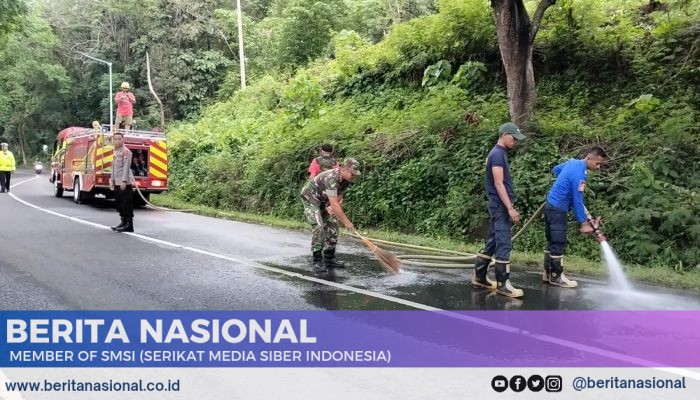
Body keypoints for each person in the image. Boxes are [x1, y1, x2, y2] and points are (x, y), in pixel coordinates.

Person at [472, 123, 526, 298]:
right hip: (500, 205)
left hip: (499, 204)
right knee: (504, 242)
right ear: (504, 135)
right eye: (513, 138)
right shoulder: (497, 155)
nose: (515, 142)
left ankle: (480, 277)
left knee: (494, 240)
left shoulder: (499, 153)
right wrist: (510, 208)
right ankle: (503, 285)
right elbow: (498, 183)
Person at [543, 146, 608, 287]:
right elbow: (577, 200)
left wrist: (563, 183)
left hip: (549, 205)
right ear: (589, 158)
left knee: (552, 240)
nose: (598, 167)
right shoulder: (580, 175)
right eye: (597, 163)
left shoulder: (572, 162)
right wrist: (583, 223)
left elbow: (556, 170)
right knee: (558, 241)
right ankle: (556, 276)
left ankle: (547, 273)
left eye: (601, 165)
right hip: (559, 208)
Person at [300, 158, 361, 272]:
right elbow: (334, 204)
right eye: (352, 173)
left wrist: (332, 206)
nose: (353, 176)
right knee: (319, 227)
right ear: (343, 169)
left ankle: (329, 257)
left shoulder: (346, 180)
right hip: (311, 198)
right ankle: (317, 260)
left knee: (333, 225)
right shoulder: (332, 178)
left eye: (355, 174)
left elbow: (339, 195)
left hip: (324, 200)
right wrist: (347, 222)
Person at [109, 132, 134, 232]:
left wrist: (124, 181)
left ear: (123, 140)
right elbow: (113, 168)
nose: (118, 141)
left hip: (124, 183)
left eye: (119, 139)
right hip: (116, 182)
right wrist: (112, 181)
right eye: (115, 139)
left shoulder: (126, 152)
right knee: (118, 204)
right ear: (113, 140)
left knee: (126, 203)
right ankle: (123, 221)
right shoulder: (115, 152)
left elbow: (126, 168)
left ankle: (129, 224)